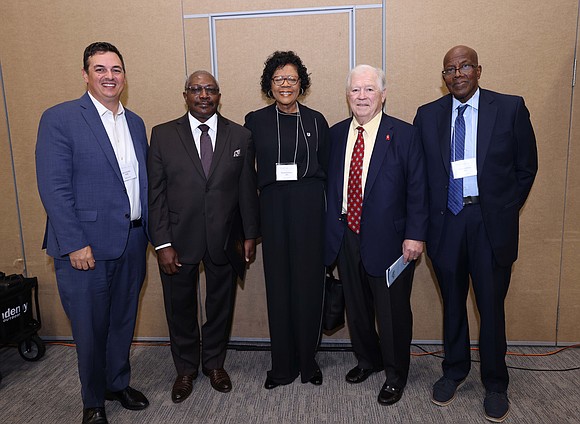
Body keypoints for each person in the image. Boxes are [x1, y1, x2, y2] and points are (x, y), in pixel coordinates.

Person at [413, 45, 538, 422]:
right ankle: (454, 371)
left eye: (464, 66)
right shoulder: (427, 115)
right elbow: (419, 175)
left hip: (488, 224)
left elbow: (526, 168)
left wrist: (501, 210)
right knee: (452, 303)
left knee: (490, 307)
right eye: (449, 69)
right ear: (443, 77)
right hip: (446, 224)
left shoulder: (511, 108)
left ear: (479, 70)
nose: (457, 74)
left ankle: (496, 382)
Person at [36, 42, 149, 424]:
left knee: (122, 321)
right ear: (85, 75)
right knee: (89, 327)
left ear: (124, 75)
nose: (109, 76)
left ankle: (117, 383)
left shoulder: (135, 123)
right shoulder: (61, 118)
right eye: (99, 69)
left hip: (132, 240)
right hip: (85, 248)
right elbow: (54, 187)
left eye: (115, 69)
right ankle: (93, 401)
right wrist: (74, 242)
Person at [148, 71, 259, 403]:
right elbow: (155, 194)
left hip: (225, 238)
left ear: (219, 95)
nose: (203, 95)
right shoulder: (163, 134)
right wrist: (162, 243)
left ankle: (213, 363)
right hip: (178, 240)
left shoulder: (240, 136)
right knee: (179, 307)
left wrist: (250, 234)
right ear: (185, 95)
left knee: (220, 306)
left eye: (210, 90)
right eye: (196, 89)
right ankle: (185, 369)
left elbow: (246, 192)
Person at [324, 64, 428, 405]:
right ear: (347, 95)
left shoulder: (405, 133)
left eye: (369, 89)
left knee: (393, 313)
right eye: (356, 90)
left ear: (383, 94)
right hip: (346, 235)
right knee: (357, 309)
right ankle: (368, 361)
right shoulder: (337, 134)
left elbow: (418, 188)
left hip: (391, 241)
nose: (362, 96)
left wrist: (415, 235)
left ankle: (396, 375)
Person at [244, 51, 329, 389]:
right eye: (278, 79)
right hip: (274, 210)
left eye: (291, 79)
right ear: (269, 84)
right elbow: (246, 178)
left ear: (301, 84)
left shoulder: (316, 120)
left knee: (309, 286)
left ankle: (309, 363)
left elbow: (326, 170)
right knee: (279, 288)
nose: (285, 85)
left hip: (310, 210)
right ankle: (282, 366)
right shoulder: (255, 121)